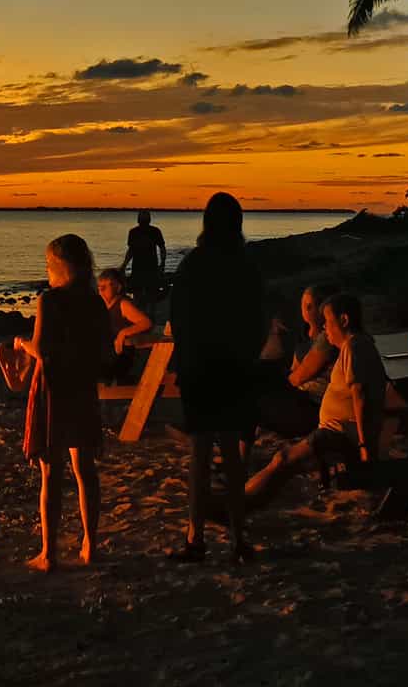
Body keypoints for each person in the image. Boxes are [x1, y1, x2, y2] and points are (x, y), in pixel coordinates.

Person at [166, 192, 264, 565]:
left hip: (201, 369)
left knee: (201, 456)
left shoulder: (193, 266)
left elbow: (180, 321)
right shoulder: (245, 267)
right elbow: (255, 320)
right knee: (233, 457)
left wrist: (187, 360)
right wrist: (248, 356)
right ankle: (239, 538)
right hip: (235, 368)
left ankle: (196, 537)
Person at [15, 234, 110, 571]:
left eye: (47, 264)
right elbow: (105, 353)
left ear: (58, 265)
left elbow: (43, 351)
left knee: (51, 473)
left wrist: (22, 344)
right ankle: (90, 545)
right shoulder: (95, 301)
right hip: (82, 389)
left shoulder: (50, 300)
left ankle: (48, 553)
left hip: (54, 391)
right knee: (86, 471)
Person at [244, 293, 386, 506]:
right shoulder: (357, 345)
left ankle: (238, 505)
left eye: (328, 322)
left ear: (344, 320)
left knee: (282, 460)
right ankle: (243, 503)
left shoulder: (353, 347)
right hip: (336, 431)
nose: (324, 329)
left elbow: (360, 396)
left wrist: (365, 447)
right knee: (283, 463)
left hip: (338, 434)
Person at [253, 282, 339, 439]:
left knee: (255, 389)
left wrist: (275, 385)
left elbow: (300, 376)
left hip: (313, 403)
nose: (305, 309)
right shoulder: (305, 334)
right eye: (304, 304)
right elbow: (294, 369)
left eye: (309, 305)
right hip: (301, 394)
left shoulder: (328, 338)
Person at [96, 267, 155, 381]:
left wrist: (123, 333)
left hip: (122, 355)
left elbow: (146, 323)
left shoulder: (123, 304)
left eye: (105, 287)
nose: (101, 291)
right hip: (110, 353)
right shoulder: (103, 306)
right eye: (99, 287)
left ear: (118, 287)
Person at [122, 210, 167, 304]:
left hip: (149, 267)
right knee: (140, 294)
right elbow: (131, 251)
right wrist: (124, 265)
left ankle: (147, 313)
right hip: (140, 268)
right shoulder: (134, 232)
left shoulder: (154, 231)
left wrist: (162, 263)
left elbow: (162, 248)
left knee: (149, 294)